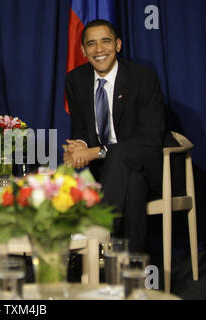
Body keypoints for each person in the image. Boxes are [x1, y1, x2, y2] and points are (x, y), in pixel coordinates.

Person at [64, 19, 166, 253]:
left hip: (150, 167)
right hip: (111, 174)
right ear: (83, 50)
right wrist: (78, 147)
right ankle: (128, 269)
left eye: (106, 42)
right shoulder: (76, 80)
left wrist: (97, 151)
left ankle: (97, 240)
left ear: (118, 45)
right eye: (91, 44)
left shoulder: (143, 78)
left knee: (120, 154)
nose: (99, 50)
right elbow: (80, 129)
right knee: (133, 186)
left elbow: (150, 137)